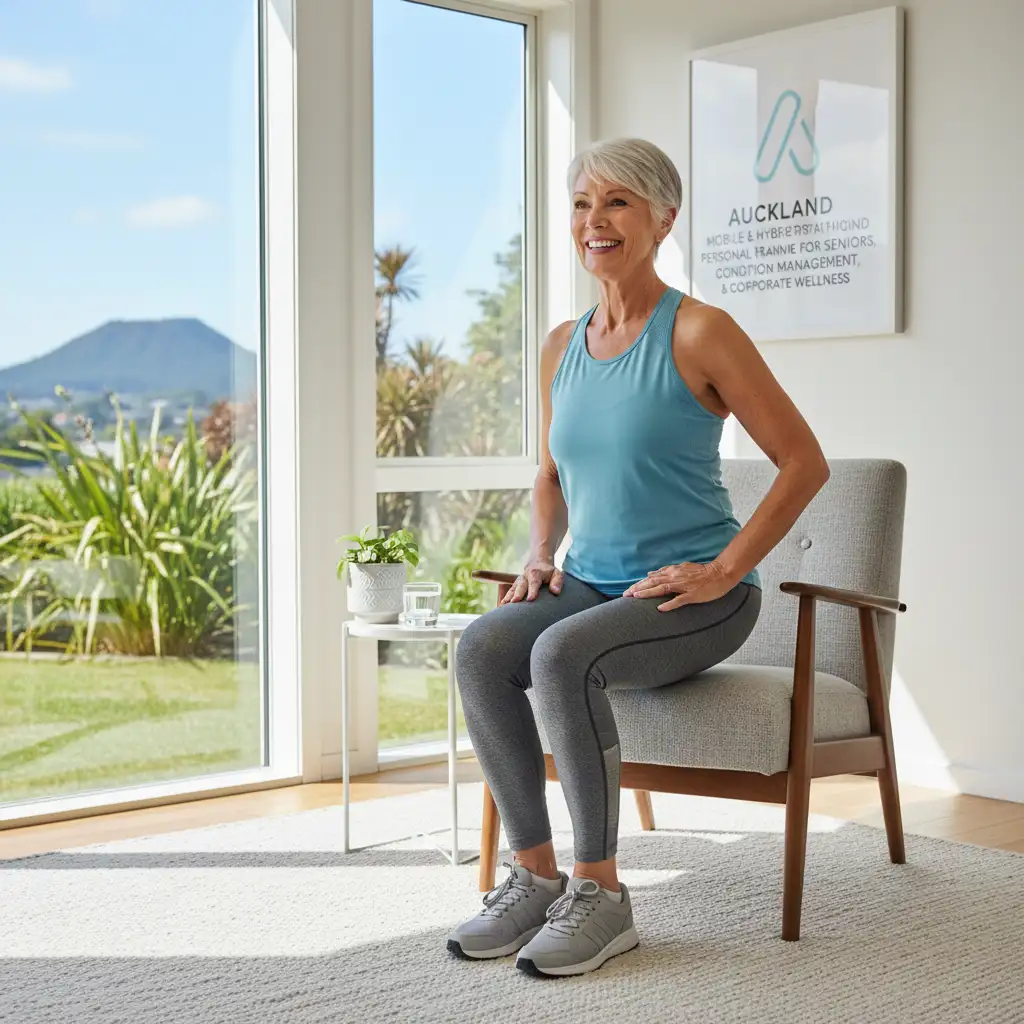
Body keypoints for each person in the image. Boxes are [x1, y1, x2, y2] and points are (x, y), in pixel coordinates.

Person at [447, 137, 830, 978]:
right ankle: (536, 875)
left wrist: (726, 569)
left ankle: (603, 893)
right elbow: (548, 473)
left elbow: (805, 461)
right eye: (583, 203)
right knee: (481, 647)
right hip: (589, 584)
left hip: (695, 598)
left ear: (663, 219)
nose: (596, 221)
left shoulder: (700, 331)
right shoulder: (562, 345)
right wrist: (542, 551)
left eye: (618, 202)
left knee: (560, 651)